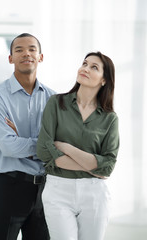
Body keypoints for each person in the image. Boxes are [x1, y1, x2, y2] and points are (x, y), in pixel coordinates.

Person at [36, 51, 119, 240]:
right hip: (58, 190)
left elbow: (108, 167)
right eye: (84, 63)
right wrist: (93, 167)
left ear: (104, 80)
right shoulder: (56, 103)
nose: (85, 69)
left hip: (95, 194)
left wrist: (65, 147)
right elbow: (44, 152)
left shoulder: (110, 119)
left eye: (94, 67)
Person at [0, 33, 55, 240]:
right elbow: (8, 147)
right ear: (10, 58)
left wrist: (23, 142)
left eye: (32, 49)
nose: (26, 53)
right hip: (9, 187)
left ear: (40, 57)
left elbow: (61, 144)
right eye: (19, 50)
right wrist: (44, 146)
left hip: (46, 189)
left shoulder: (53, 98)